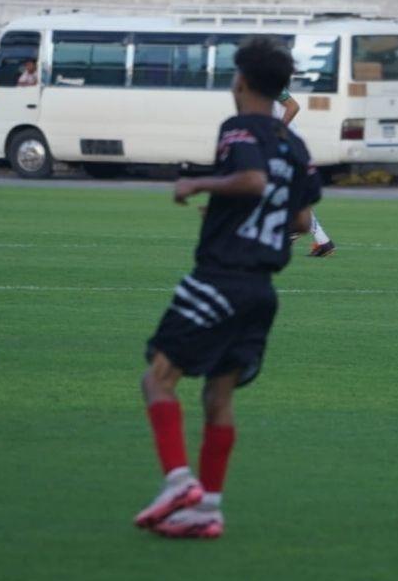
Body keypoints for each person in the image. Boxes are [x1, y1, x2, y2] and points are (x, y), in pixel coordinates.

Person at [133, 36, 321, 539]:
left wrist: (199, 185)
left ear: (240, 82)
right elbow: (301, 218)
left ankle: (177, 483)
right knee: (219, 396)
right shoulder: (295, 145)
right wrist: (234, 213)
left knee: (158, 380)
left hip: (221, 277)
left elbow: (254, 181)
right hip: (261, 290)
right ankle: (207, 508)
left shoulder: (238, 128)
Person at [276, 86, 335, 257]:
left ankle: (295, 232)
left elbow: (293, 106)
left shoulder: (269, 82)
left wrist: (277, 130)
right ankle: (321, 241)